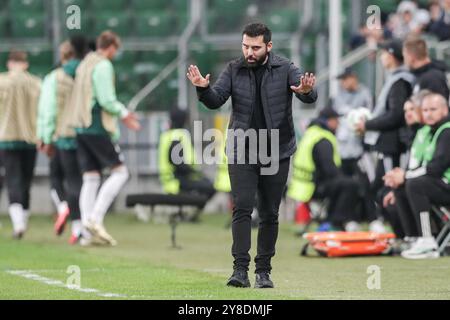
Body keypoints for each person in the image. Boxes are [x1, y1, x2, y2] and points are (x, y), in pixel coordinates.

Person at [187, 23, 317, 288]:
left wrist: (306, 92)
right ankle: (239, 271)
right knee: (243, 207)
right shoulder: (234, 69)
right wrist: (203, 88)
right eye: (245, 46)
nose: (249, 51)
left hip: (276, 151)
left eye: (255, 47)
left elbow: (307, 93)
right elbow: (216, 99)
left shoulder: (286, 68)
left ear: (268, 46)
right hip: (241, 149)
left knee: (269, 212)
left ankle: (264, 272)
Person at [69, 30, 141, 246]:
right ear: (111, 47)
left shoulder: (84, 64)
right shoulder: (102, 65)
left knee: (90, 178)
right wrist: (125, 114)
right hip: (96, 126)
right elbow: (107, 100)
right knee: (120, 172)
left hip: (81, 127)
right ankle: (95, 219)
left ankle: (86, 234)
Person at [356, 39, 414, 230]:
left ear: (391, 55)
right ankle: (400, 234)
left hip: (394, 146)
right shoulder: (395, 79)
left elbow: (396, 115)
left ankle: (406, 235)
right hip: (389, 144)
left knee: (390, 189)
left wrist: (369, 124)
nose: (381, 57)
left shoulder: (400, 81)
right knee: (381, 189)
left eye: (384, 53)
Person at [37, 39, 88, 244]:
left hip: (63, 137)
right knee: (83, 182)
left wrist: (45, 137)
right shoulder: (87, 75)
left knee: (59, 179)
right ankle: (81, 228)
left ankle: (66, 209)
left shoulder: (53, 78)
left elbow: (47, 111)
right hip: (86, 136)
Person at [287, 107, 361, 232]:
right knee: (350, 184)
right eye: (336, 120)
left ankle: (331, 220)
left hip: (301, 185)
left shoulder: (311, 133)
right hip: (312, 187)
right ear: (329, 121)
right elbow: (329, 170)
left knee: (342, 184)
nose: (338, 124)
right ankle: (334, 222)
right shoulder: (323, 138)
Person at [0, 50, 41, 239]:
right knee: (26, 180)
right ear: (25, 64)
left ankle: (18, 223)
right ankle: (23, 219)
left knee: (13, 179)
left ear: (9, 63)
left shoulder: (2, 81)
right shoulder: (36, 83)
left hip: (6, 138)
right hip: (30, 139)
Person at [159, 108, 215, 205]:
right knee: (209, 187)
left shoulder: (167, 135)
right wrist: (195, 173)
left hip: (170, 180)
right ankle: (191, 210)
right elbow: (177, 163)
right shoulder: (177, 136)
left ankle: (190, 209)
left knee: (204, 184)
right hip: (176, 181)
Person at [333, 68, 373, 176]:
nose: (342, 82)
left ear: (354, 78)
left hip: (360, 150)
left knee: (364, 181)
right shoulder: (338, 96)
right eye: (341, 80)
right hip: (341, 149)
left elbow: (370, 117)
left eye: (345, 79)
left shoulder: (365, 94)